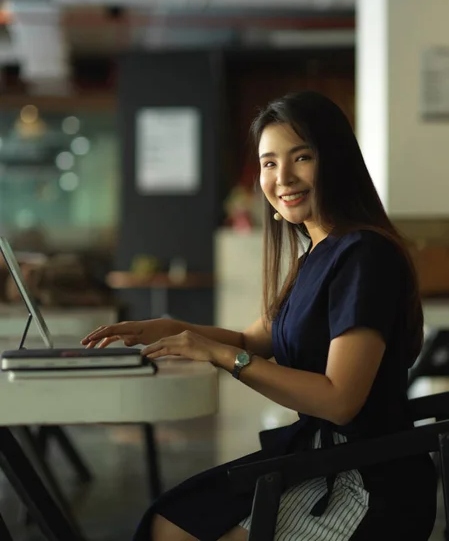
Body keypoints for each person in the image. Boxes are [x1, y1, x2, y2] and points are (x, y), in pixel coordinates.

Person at [82, 91, 437, 541]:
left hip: (367, 482)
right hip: (320, 460)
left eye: (301, 157)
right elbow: (252, 341)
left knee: (175, 530)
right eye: (269, 163)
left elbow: (338, 399)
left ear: (336, 160)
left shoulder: (364, 256)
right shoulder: (317, 253)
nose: (283, 177)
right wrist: (173, 328)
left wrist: (220, 356)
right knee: (168, 521)